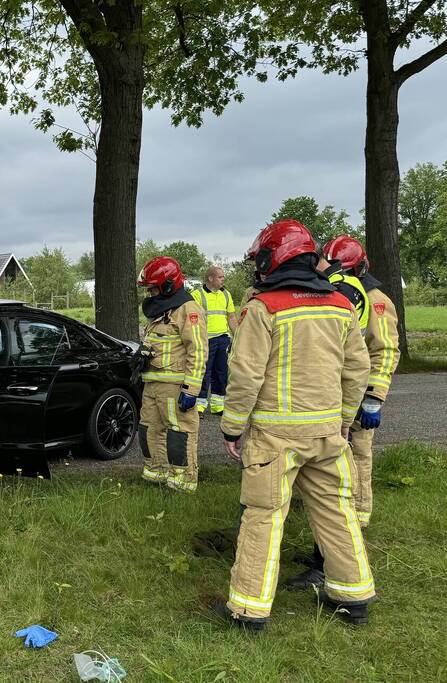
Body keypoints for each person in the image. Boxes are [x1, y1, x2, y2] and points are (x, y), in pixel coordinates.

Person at [214, 220, 373, 630]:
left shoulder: (264, 308)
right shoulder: (339, 303)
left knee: (263, 516)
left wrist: (232, 427)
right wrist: (343, 421)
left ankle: (249, 610)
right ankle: (353, 598)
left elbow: (246, 374)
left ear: (276, 259)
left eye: (262, 259)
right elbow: (357, 368)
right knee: (338, 513)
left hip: (275, 438)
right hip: (327, 435)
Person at [285, 235, 400, 589]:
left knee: (353, 467)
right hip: (332, 400)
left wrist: (373, 399)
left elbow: (384, 352)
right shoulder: (336, 297)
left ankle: (342, 549)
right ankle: (327, 549)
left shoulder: (377, 302)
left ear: (360, 268)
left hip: (358, 402)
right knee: (331, 477)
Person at [137, 256, 207, 493]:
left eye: (153, 288)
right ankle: (156, 474)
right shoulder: (161, 309)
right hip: (152, 383)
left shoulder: (188, 309)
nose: (150, 293)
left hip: (175, 386)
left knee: (179, 432)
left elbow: (198, 351)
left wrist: (191, 389)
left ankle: (184, 480)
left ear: (168, 285)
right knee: (148, 429)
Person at [191, 266, 238, 415]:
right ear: (210, 278)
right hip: (206, 340)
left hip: (223, 339)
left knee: (221, 373)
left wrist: (237, 336)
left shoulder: (226, 294)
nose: (223, 279)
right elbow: (192, 319)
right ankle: (199, 406)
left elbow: (231, 317)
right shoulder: (197, 295)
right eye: (220, 277)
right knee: (204, 373)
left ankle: (218, 406)